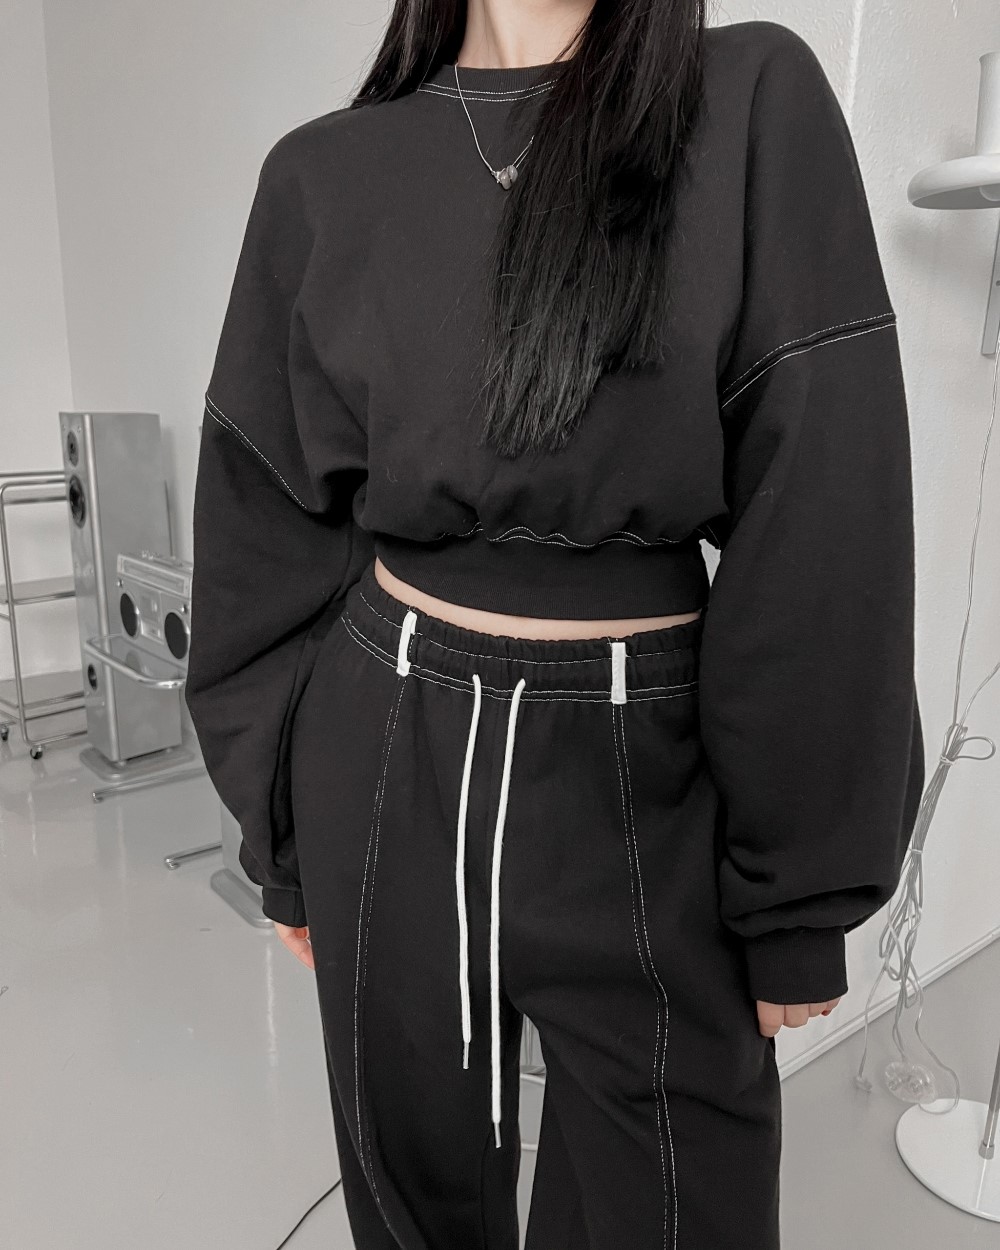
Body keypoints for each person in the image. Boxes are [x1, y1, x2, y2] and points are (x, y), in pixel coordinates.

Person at [184, 2, 925, 1246]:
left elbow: (821, 500)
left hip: (648, 769)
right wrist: (283, 832)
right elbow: (265, 518)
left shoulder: (749, 98)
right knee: (408, 1205)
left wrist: (797, 889)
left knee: (681, 1204)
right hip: (383, 744)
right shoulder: (322, 172)